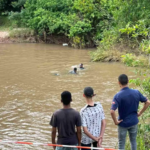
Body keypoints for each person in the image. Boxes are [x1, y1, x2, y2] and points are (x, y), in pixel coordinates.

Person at [110, 74, 150, 150]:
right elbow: (148, 102)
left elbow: (112, 111)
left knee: (122, 143)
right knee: (133, 141)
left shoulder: (118, 95)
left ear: (119, 83)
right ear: (128, 81)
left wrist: (115, 121)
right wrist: (140, 113)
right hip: (134, 121)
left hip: (122, 123)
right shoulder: (136, 92)